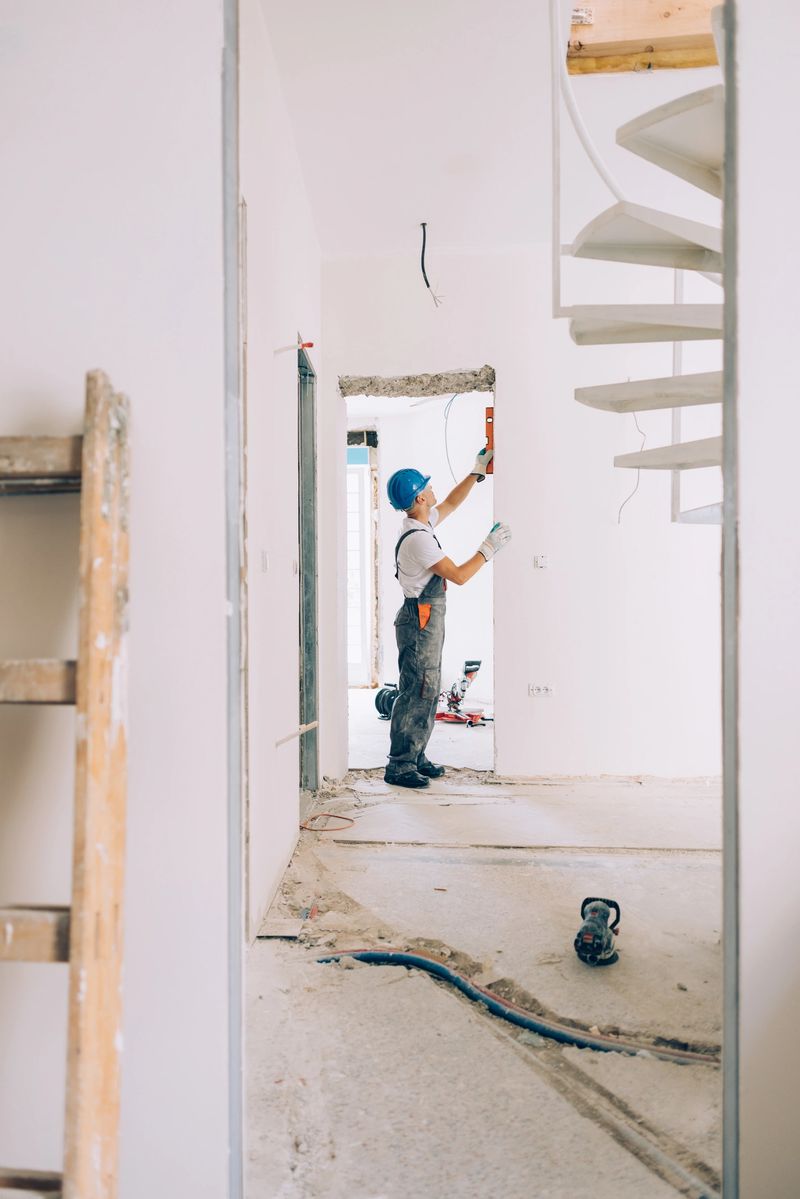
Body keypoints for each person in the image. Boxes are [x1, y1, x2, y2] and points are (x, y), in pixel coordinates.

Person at [384, 448, 511, 788]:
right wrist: (488, 549)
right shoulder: (419, 540)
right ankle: (400, 765)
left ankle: (416, 754)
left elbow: (452, 503)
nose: (434, 489)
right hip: (419, 620)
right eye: (428, 486)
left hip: (424, 619)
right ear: (420, 497)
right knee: (416, 690)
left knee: (428, 688)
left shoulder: (418, 522)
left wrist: (476, 472)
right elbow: (458, 575)